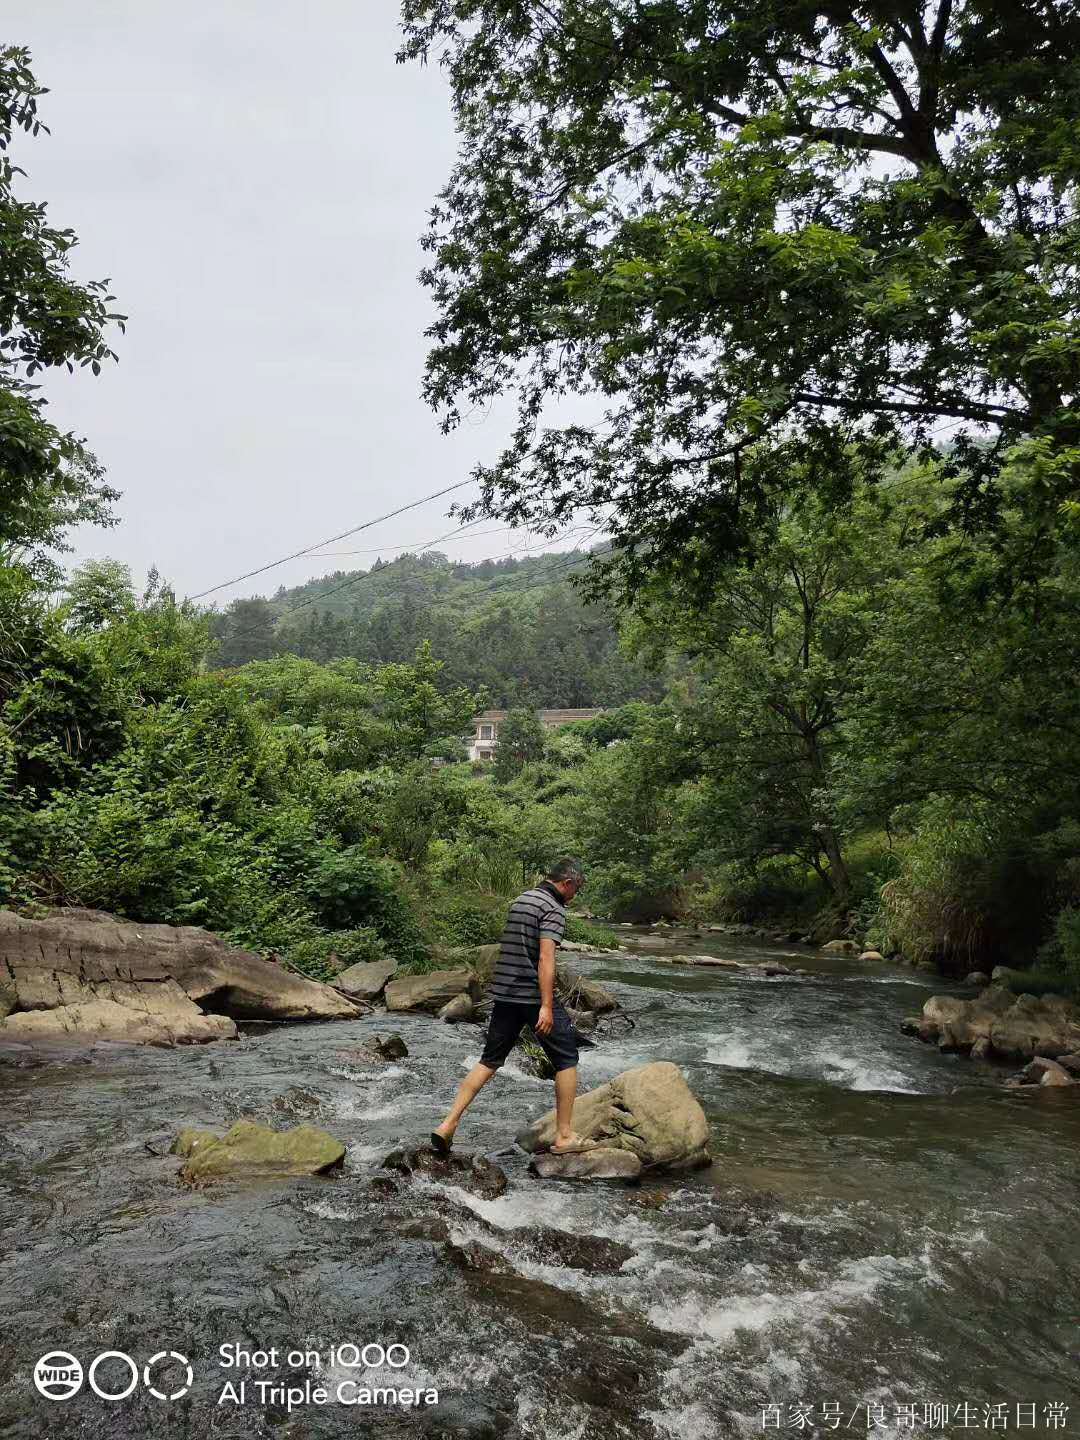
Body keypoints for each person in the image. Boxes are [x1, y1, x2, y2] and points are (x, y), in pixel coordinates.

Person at [431, 858, 597, 1156]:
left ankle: (447, 1124)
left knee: (488, 1061)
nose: (575, 896)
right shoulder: (553, 908)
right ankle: (565, 1135)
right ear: (568, 882)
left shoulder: (522, 899)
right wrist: (546, 1006)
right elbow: (546, 959)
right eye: (577, 889)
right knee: (567, 1059)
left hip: (505, 994)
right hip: (532, 996)